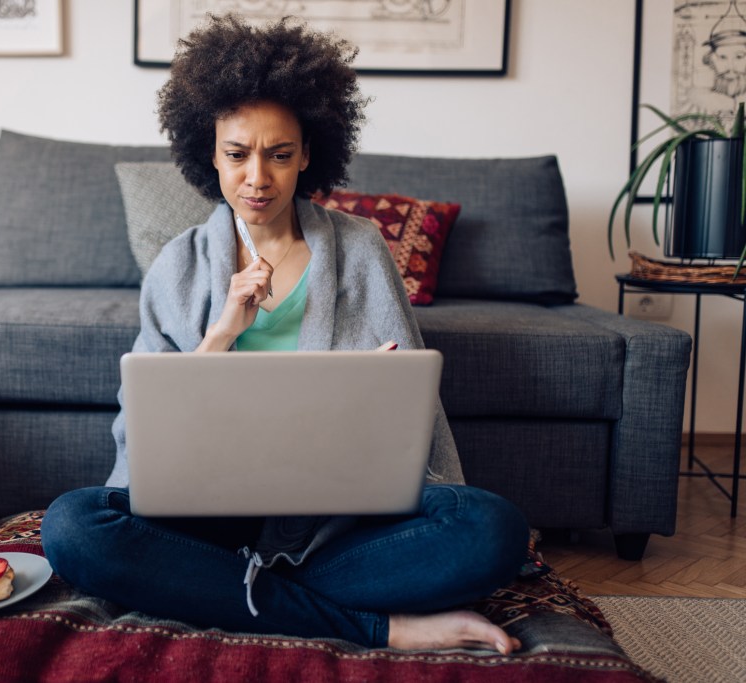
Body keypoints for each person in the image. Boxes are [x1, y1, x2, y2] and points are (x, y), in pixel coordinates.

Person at [41, 13, 529, 654]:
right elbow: (142, 438)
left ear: (307, 155)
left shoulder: (359, 249)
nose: (257, 178)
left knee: (491, 528)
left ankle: (220, 592)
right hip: (205, 520)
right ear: (208, 156)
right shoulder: (179, 265)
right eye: (237, 154)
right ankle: (376, 626)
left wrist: (377, 394)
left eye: (279, 155)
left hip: (337, 525)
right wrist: (219, 337)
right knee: (73, 526)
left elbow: (416, 426)